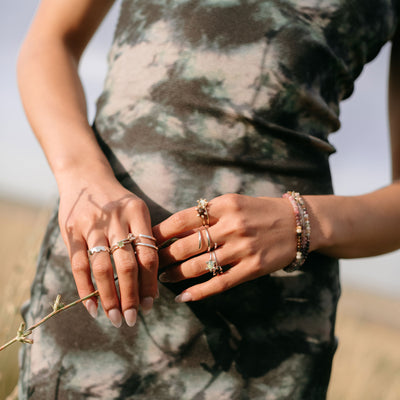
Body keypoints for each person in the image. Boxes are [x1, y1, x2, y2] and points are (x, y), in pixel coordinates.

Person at [17, 0, 399, 399]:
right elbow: (51, 41)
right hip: (102, 279)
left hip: (270, 337)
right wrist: (82, 177)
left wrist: (303, 221)